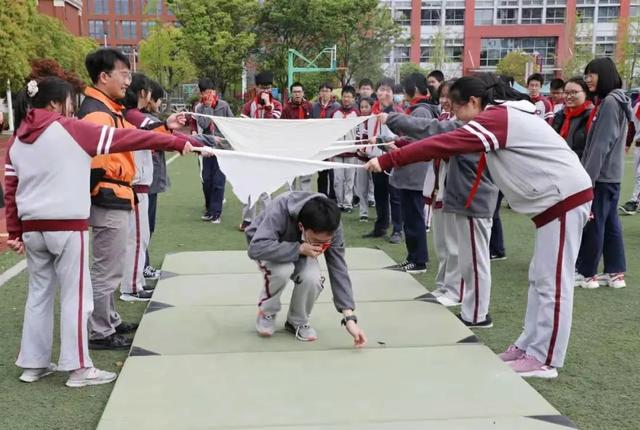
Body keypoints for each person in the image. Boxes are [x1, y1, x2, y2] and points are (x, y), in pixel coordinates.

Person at [364, 73, 593, 379]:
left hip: (564, 198)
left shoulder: (495, 118)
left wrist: (390, 160)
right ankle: (528, 347)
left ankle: (545, 358)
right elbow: (442, 140)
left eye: (456, 108)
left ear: (473, 102)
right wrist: (395, 150)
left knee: (552, 281)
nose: (455, 116)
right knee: (540, 278)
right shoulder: (500, 116)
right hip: (554, 201)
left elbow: (445, 142)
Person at [5, 76, 193, 387]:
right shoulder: (71, 129)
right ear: (54, 103)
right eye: (68, 101)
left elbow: (11, 188)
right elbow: (130, 139)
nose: (72, 107)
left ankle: (33, 364)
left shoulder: (18, 139)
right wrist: (177, 141)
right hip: (67, 226)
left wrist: (14, 232)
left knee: (38, 294)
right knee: (77, 296)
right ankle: (79, 368)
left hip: (32, 229)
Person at [78, 48, 189, 350]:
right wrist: (171, 137)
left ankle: (109, 320)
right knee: (106, 268)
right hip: (108, 195)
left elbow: (136, 135)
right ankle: (100, 330)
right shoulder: (98, 112)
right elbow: (102, 158)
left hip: (117, 193)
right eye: (124, 74)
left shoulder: (109, 109)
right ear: (104, 77)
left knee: (112, 265)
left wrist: (168, 130)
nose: (128, 81)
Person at [246, 192, 367, 346]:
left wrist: (349, 319)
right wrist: (299, 249)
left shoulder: (332, 223)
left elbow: (338, 267)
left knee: (313, 278)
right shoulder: (280, 208)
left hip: (301, 247)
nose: (321, 245)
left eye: (326, 242)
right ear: (302, 226)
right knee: (283, 270)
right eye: (316, 240)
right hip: (267, 246)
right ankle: (267, 312)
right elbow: (255, 248)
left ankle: (297, 321)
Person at [575, 58, 632, 289]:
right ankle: (615, 272)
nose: (588, 79)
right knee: (609, 223)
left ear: (604, 75)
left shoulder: (610, 102)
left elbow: (601, 144)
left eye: (592, 75)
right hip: (612, 176)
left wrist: (587, 179)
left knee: (595, 223)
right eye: (586, 75)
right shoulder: (616, 100)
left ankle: (587, 273)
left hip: (602, 176)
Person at [384, 74, 438, 274]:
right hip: (409, 171)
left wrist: (395, 145)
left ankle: (419, 260)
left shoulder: (422, 111)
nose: (402, 95)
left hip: (415, 172)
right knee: (409, 216)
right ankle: (412, 257)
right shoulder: (416, 109)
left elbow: (417, 141)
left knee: (414, 217)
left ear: (413, 89)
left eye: (404, 90)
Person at [239, 71, 282, 231]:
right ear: (256, 88)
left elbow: (271, 125)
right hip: (251, 151)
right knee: (249, 185)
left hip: (268, 151)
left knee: (266, 188)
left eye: (269, 87)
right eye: (263, 87)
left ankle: (267, 219)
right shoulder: (248, 106)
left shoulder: (277, 105)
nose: (266, 91)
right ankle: (248, 219)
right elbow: (242, 128)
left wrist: (268, 106)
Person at [362, 79, 404, 242]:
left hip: (392, 157)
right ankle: (380, 227)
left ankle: (398, 230)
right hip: (376, 158)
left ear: (393, 94)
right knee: (380, 193)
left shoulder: (397, 111)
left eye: (387, 90)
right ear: (376, 92)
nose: (383, 93)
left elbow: (401, 135)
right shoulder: (372, 112)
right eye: (381, 89)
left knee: (395, 195)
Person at [194, 78, 233, 224]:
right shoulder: (199, 108)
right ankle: (210, 208)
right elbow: (203, 124)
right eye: (205, 93)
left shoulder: (224, 106)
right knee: (207, 180)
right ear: (201, 94)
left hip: (222, 149)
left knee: (218, 181)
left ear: (214, 92)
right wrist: (208, 107)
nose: (208, 96)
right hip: (207, 148)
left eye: (210, 92)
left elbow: (231, 124)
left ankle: (216, 213)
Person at [331, 85, 359, 213]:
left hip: (351, 153)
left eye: (349, 97)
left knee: (349, 180)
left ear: (353, 99)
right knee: (338, 179)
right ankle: (339, 202)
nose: (346, 99)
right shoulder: (335, 113)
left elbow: (359, 133)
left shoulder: (356, 114)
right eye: (344, 96)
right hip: (337, 152)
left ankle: (348, 203)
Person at [551, 77, 593, 160]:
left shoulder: (592, 116)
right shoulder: (559, 116)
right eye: (566, 93)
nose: (569, 96)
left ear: (586, 93)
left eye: (574, 92)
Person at [282, 81, 313, 191]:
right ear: (291, 93)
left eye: (299, 92)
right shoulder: (286, 109)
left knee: (306, 176)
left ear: (303, 93)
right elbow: (282, 128)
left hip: (306, 147)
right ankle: (290, 202)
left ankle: (305, 203)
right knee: (290, 177)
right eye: (294, 92)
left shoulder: (309, 106)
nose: (297, 94)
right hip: (291, 147)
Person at [311, 82, 340, 199]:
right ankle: (321, 196)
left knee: (333, 172)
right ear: (319, 92)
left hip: (332, 143)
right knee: (321, 172)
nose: (324, 93)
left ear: (331, 92)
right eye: (322, 90)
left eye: (327, 90)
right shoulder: (314, 107)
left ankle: (334, 196)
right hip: (319, 143)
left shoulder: (337, 106)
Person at [354, 97, 375, 222]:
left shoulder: (375, 120)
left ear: (372, 107)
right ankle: (363, 212)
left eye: (366, 106)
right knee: (361, 186)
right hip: (361, 159)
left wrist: (369, 150)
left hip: (374, 159)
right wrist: (359, 149)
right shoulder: (359, 122)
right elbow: (357, 139)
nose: (363, 109)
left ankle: (382, 213)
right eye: (361, 107)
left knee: (377, 187)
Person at [619, 100, 640, 214]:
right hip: (638, 146)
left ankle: (634, 202)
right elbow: (632, 125)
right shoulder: (637, 105)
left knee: (639, 176)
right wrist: (627, 143)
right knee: (637, 175)